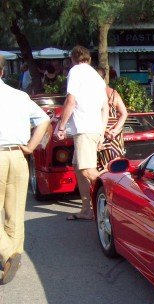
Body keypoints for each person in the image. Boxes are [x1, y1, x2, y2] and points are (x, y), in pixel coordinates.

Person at [0, 55, 51, 284]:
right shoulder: (20, 96)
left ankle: (8, 252)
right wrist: (31, 147)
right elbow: (44, 119)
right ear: (2, 72)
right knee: (15, 212)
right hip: (19, 156)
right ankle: (13, 255)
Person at [56, 46, 108, 222]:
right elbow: (105, 107)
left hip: (83, 128)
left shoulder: (76, 71)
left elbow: (71, 101)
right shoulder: (97, 77)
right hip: (92, 128)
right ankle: (87, 209)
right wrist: (101, 131)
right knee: (79, 168)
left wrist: (61, 126)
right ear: (89, 58)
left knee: (87, 170)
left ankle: (117, 193)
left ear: (73, 58)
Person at [96, 67, 128, 170]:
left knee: (101, 166)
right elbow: (124, 113)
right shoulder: (113, 93)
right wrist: (115, 130)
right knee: (116, 165)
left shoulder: (93, 94)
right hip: (115, 133)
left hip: (101, 131)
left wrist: (105, 131)